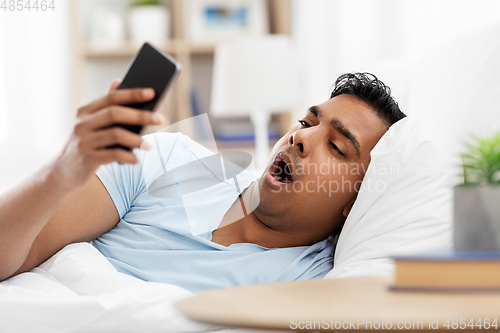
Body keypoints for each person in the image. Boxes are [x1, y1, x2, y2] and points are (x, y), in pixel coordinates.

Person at [0, 72, 406, 292]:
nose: (299, 138)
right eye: (306, 122)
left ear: (356, 203)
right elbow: (11, 257)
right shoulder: (165, 160)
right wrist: (59, 174)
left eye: (336, 146)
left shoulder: (312, 285)